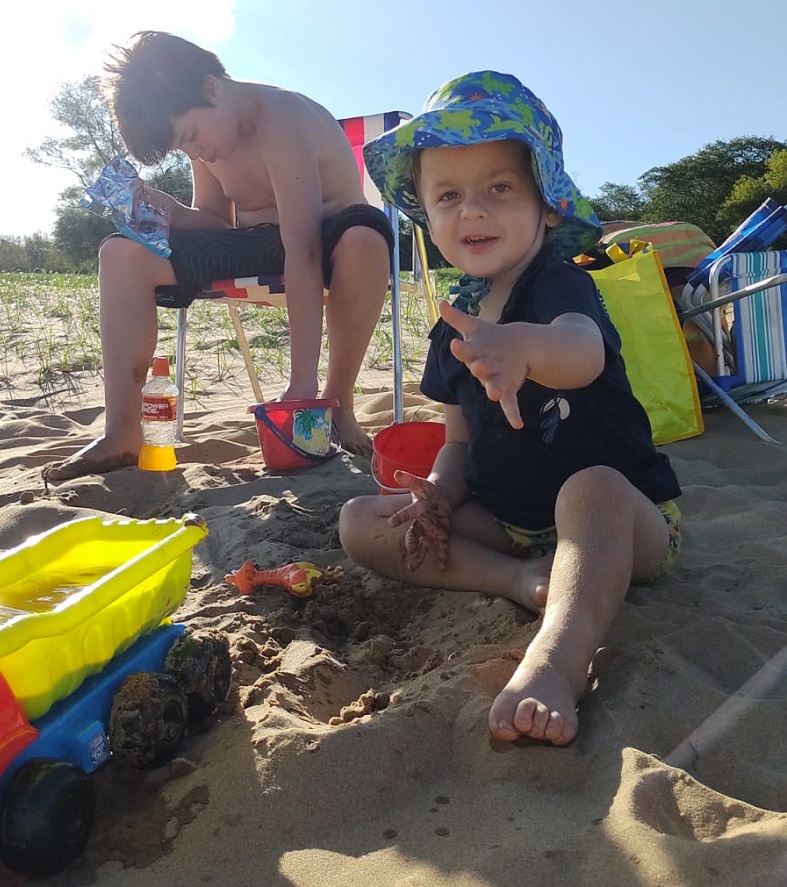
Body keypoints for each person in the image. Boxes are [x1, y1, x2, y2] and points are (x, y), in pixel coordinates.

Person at [339, 71, 682, 747]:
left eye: (498, 188)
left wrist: (524, 346)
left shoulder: (559, 284)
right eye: (448, 195)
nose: (471, 211)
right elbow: (459, 442)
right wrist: (440, 492)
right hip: (512, 527)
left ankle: (556, 661)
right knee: (362, 520)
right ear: (426, 216)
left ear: (546, 205)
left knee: (592, 488)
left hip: (622, 520)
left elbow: (582, 353)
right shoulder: (453, 325)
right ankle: (522, 581)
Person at [42, 31, 393, 482]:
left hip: (329, 238)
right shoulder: (209, 136)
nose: (195, 152)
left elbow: (302, 249)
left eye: (190, 136)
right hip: (256, 242)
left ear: (211, 88)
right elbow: (215, 220)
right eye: (182, 147)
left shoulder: (280, 119)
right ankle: (122, 433)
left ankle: (336, 404)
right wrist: (169, 211)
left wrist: (301, 385)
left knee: (366, 238)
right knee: (120, 253)